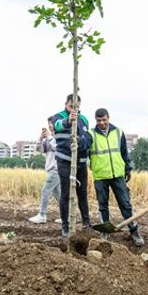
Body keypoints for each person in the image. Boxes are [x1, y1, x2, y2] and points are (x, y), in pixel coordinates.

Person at [88, 108, 144, 246]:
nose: (101, 123)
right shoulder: (90, 134)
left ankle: (134, 231)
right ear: (96, 120)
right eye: (99, 120)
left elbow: (124, 152)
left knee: (125, 204)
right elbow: (85, 149)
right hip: (100, 175)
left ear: (109, 118)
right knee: (103, 206)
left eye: (104, 120)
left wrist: (128, 168)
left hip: (118, 175)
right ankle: (105, 232)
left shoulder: (118, 133)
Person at [51, 94, 92, 237]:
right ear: (66, 104)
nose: (74, 109)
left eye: (77, 106)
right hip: (64, 160)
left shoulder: (84, 120)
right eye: (71, 106)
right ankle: (65, 225)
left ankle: (86, 223)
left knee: (82, 194)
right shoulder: (57, 117)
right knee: (66, 193)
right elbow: (57, 125)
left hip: (80, 162)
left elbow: (88, 139)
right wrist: (68, 121)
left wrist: (81, 142)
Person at [29, 119, 61, 224]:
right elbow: (39, 149)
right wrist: (40, 138)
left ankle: (42, 215)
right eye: (49, 124)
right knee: (58, 194)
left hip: (56, 170)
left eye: (52, 124)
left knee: (45, 190)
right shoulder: (48, 139)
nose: (50, 126)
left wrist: (48, 137)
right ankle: (66, 216)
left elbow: (58, 148)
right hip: (52, 169)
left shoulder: (59, 138)